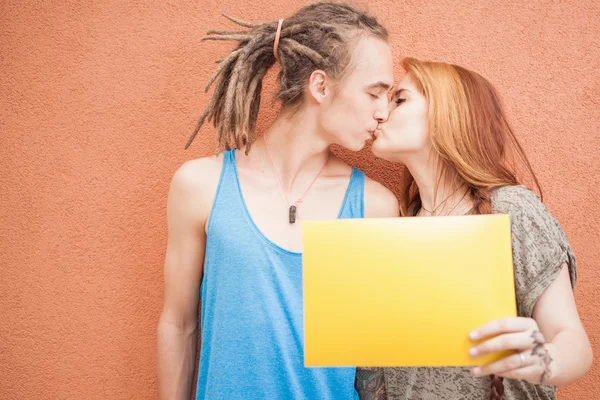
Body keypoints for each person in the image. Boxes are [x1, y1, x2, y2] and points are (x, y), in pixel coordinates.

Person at [156, 3, 399, 399]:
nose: (383, 111)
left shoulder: (375, 207)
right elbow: (178, 324)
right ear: (320, 87)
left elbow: (373, 357)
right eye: (374, 93)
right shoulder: (200, 185)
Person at [368, 57, 592, 399]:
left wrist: (547, 360)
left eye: (400, 99)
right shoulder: (404, 226)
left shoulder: (511, 209)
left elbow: (573, 342)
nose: (381, 113)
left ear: (448, 113)